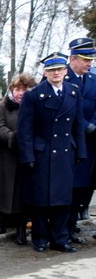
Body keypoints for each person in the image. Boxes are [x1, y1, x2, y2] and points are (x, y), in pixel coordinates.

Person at [17, 52, 88, 253]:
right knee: (41, 199)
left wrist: (81, 152)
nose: (56, 73)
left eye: (59, 69)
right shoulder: (34, 95)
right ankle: (40, 238)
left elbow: (78, 125)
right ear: (45, 72)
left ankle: (60, 239)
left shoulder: (73, 92)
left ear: (65, 71)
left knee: (63, 199)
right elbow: (25, 130)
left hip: (65, 152)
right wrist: (28, 156)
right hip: (42, 153)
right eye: (51, 70)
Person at [0, 74, 37, 244]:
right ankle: (0, 225)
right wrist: (14, 137)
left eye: (25, 89)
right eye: (17, 89)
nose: (21, 93)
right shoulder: (3, 106)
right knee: (2, 190)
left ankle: (21, 229)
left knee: (22, 193)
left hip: (27, 155)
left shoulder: (34, 105)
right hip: (6, 155)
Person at [65, 37, 96, 231]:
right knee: (69, 185)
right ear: (73, 58)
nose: (89, 63)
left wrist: (94, 124)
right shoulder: (61, 76)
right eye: (85, 59)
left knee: (84, 185)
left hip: (90, 142)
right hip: (69, 140)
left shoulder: (92, 79)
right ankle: (63, 226)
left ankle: (72, 223)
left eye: (91, 59)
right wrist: (85, 125)